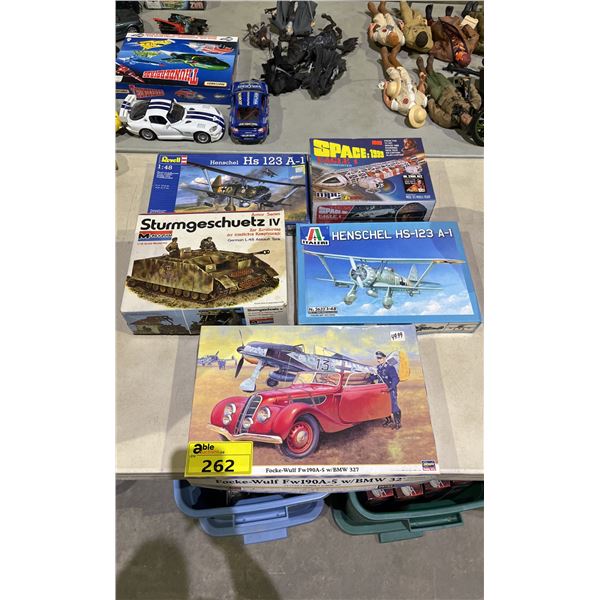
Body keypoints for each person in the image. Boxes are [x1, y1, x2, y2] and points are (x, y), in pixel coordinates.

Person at [417, 55, 481, 143]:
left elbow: (436, 113)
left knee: (428, 80)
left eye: (466, 120)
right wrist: (469, 85)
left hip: (438, 95)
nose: (465, 117)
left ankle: (422, 70)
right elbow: (477, 98)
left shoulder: (450, 121)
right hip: (450, 89)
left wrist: (430, 100)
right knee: (440, 77)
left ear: (463, 126)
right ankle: (430, 69)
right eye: (469, 117)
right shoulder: (471, 107)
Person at [379, 46, 427, 128]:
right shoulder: (422, 102)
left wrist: (386, 88)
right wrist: (421, 81)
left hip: (399, 86)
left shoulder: (403, 107)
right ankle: (392, 57)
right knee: (404, 71)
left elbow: (388, 103)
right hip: (409, 83)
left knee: (393, 72)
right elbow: (421, 91)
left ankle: (384, 58)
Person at [370, 351, 402, 429]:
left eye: (380, 358)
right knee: (383, 406)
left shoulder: (390, 368)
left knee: (393, 406)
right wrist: (370, 375)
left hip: (390, 390)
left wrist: (391, 387)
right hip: (382, 390)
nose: (378, 360)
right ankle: (389, 420)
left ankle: (397, 423)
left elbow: (395, 379)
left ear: (384, 358)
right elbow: (375, 377)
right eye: (377, 358)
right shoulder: (378, 368)